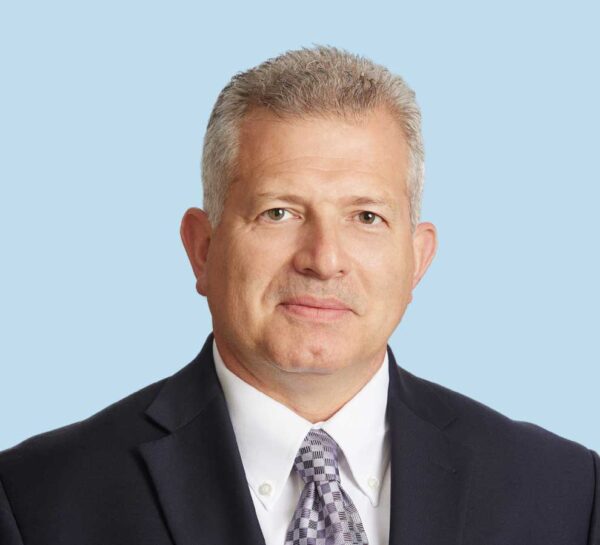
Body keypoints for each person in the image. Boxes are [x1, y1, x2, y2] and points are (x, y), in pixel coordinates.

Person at [0, 45, 597, 545]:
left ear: (418, 259)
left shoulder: (564, 494)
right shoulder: (37, 500)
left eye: (366, 216)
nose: (323, 259)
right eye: (279, 212)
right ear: (202, 248)